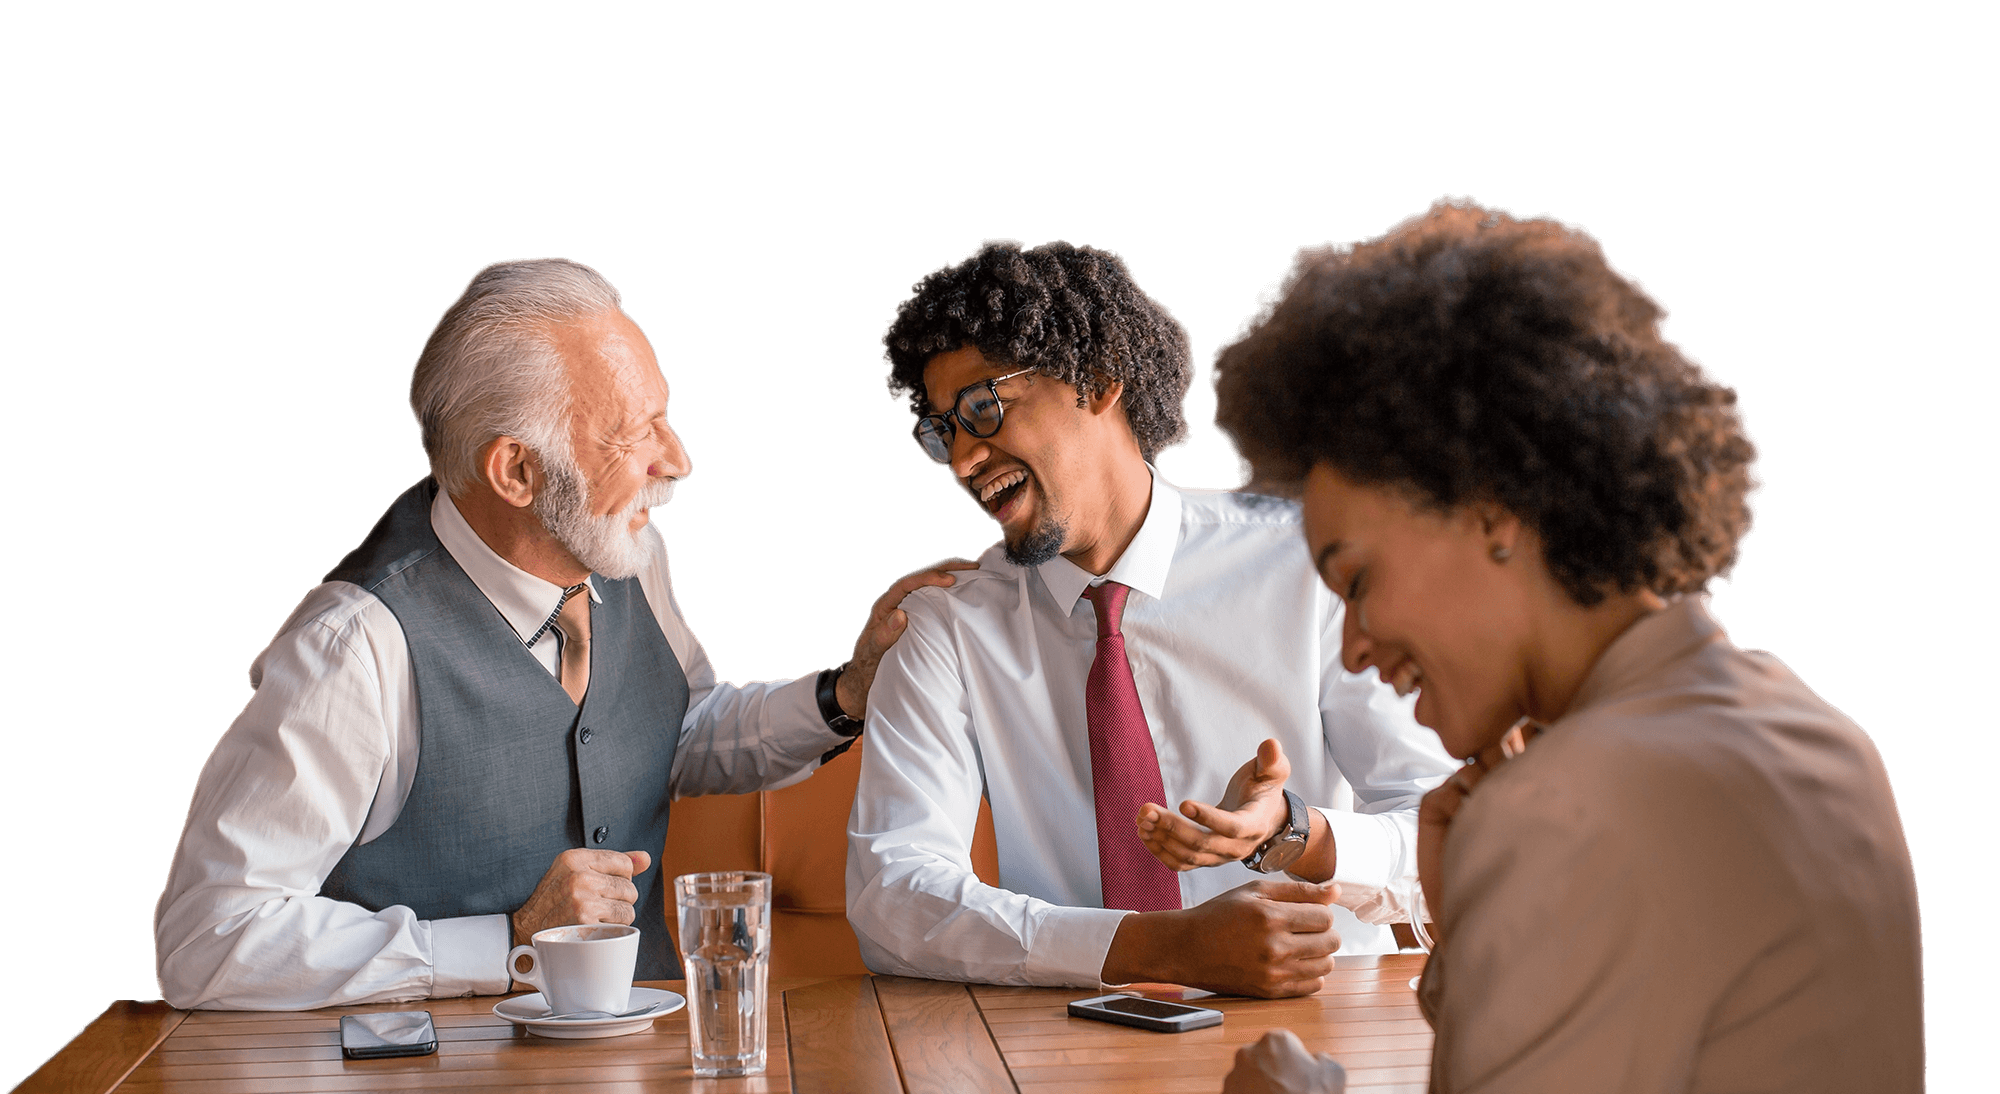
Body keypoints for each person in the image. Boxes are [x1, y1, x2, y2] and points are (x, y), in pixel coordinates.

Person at [1210, 199, 1923, 1091]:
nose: (1352, 647)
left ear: (1492, 511)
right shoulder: (1819, 729)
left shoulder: (1566, 804)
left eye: (1356, 581)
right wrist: (1468, 911)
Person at [155, 258, 970, 1010]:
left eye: (667, 416)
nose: (678, 460)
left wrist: (842, 694)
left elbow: (672, 733)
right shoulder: (354, 647)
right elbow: (205, 939)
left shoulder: (627, 553)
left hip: (644, 1059)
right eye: (634, 432)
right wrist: (506, 942)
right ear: (516, 472)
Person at [845, 240, 1457, 996]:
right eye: (946, 431)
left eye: (983, 408)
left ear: (1098, 381)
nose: (966, 459)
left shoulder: (1305, 566)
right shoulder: (946, 627)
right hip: (1073, 1043)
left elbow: (1455, 840)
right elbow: (892, 894)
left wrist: (1296, 832)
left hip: (1321, 1035)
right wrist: (1159, 948)